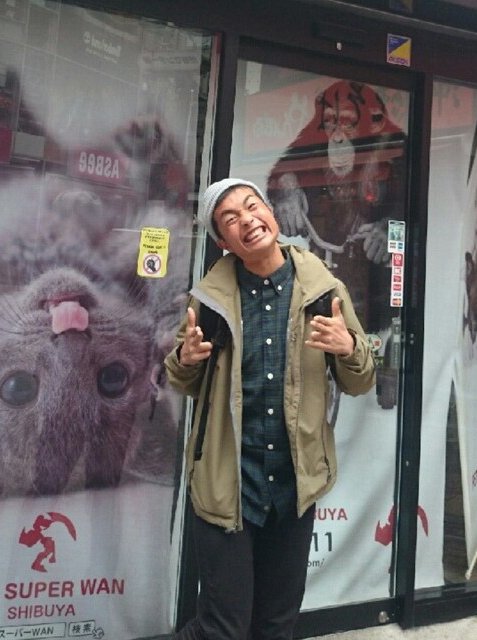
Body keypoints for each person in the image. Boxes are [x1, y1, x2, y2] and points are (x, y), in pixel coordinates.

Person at [164, 177, 376, 639]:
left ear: (271, 213)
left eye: (252, 206)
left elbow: (360, 381)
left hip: (292, 489)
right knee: (222, 628)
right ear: (224, 242)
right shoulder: (210, 301)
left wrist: (347, 348)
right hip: (227, 485)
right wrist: (185, 360)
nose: (247, 220)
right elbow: (182, 380)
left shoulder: (323, 290)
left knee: (276, 626)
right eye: (230, 219)